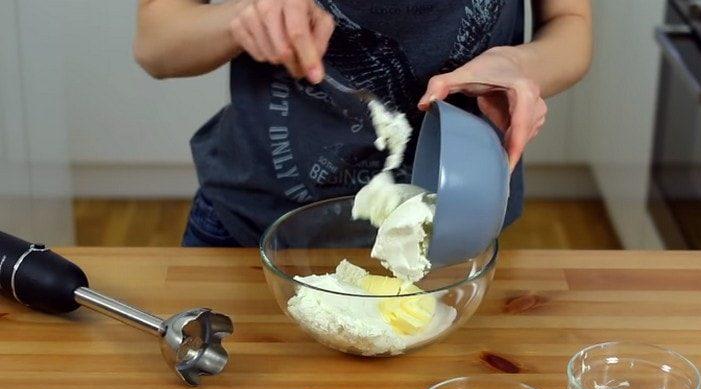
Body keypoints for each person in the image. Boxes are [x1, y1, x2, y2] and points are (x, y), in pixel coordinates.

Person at [134, 0, 592, 247]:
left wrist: (521, 65)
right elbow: (157, 41)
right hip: (253, 231)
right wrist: (243, 19)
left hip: (456, 229)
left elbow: (569, 23)